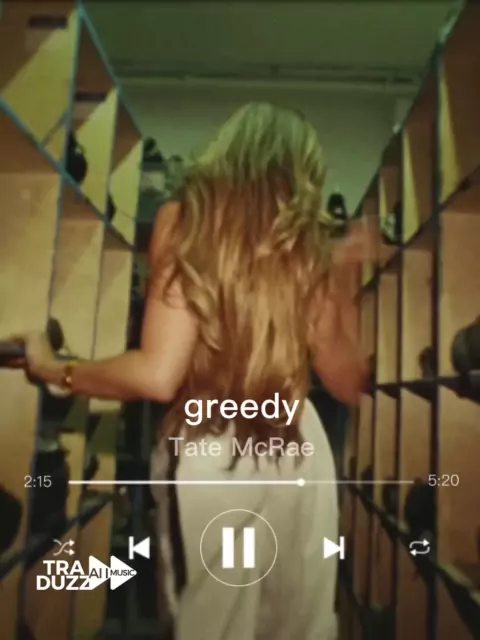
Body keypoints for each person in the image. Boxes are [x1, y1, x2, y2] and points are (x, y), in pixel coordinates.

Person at [15, 103, 372, 639]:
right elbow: (347, 383)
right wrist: (344, 279)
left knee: (210, 625)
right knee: (301, 625)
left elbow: (157, 375)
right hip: (298, 441)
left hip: (214, 441)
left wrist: (54, 369)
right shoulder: (308, 246)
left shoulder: (186, 220)